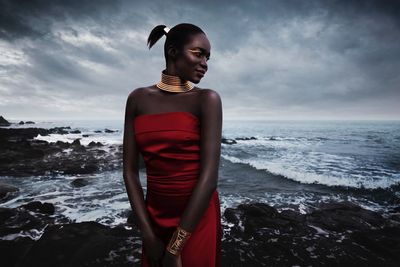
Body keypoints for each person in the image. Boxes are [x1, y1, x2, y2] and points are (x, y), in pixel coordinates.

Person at [122, 23, 223, 267]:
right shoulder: (137, 99)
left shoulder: (206, 99)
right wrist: (148, 234)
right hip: (154, 218)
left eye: (207, 57)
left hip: (196, 219)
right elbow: (129, 171)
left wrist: (175, 247)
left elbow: (209, 179)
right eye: (198, 53)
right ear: (173, 52)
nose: (205, 63)